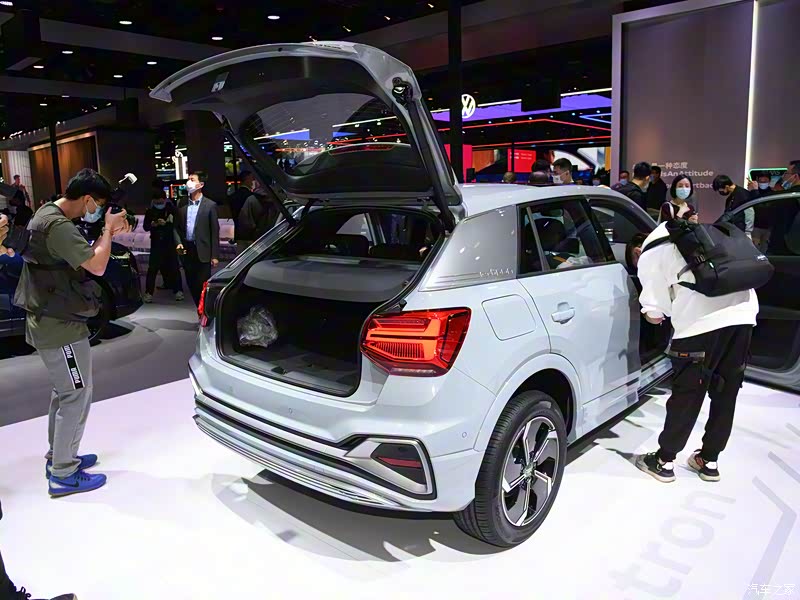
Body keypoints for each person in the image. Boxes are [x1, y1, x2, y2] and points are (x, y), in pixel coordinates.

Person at [13, 169, 129, 497]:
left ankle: (59, 456)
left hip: (52, 317)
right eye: (98, 205)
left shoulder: (46, 213)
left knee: (65, 392)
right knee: (75, 394)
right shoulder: (58, 226)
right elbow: (97, 265)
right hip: (59, 325)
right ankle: (63, 472)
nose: (96, 210)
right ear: (88, 199)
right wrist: (108, 230)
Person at [630, 221, 758, 484]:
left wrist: (654, 313)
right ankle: (709, 461)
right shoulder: (701, 236)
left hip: (699, 325)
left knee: (687, 394)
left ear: (637, 250)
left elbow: (655, 312)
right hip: (743, 317)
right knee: (726, 392)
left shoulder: (651, 253)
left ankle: (664, 461)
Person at [174, 171, 220, 307]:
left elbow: (214, 231)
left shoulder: (210, 205)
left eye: (192, 179)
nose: (189, 182)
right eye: (188, 179)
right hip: (187, 249)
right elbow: (176, 227)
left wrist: (215, 255)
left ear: (201, 184)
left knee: (202, 285)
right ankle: (200, 310)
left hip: (203, 250)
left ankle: (205, 311)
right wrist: (178, 243)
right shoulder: (181, 203)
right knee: (191, 283)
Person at [143, 189, 184, 303]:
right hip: (156, 243)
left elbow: (178, 225)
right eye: (157, 202)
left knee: (174, 268)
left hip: (169, 242)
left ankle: (178, 291)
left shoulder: (171, 209)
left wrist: (169, 222)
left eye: (161, 202)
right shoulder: (150, 211)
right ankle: (148, 293)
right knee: (152, 269)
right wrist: (154, 224)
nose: (159, 204)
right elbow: (146, 227)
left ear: (165, 200)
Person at [236, 185, 278, 254]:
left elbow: (245, 222)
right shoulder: (277, 199)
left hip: (253, 240)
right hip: (272, 238)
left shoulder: (251, 200)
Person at [228, 170, 255, 243]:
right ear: (247, 179)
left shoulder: (233, 196)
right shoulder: (251, 197)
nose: (253, 181)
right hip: (251, 234)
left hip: (238, 234)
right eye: (252, 178)